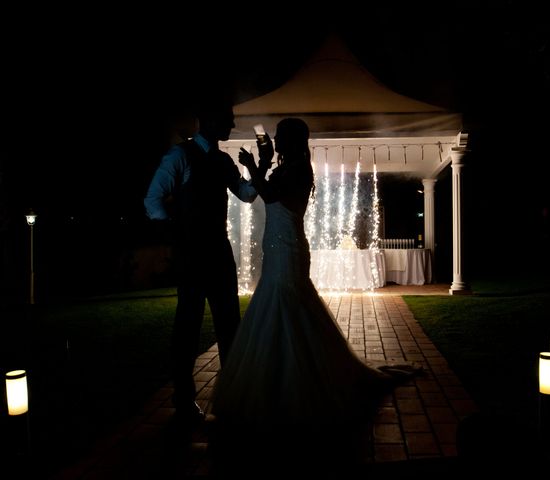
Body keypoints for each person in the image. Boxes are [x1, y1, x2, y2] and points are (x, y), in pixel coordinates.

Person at [208, 118, 419, 472]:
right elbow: (259, 194)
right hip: (277, 248)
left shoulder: (298, 169)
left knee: (289, 308)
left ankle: (297, 390)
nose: (275, 140)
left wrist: (250, 165)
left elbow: (270, 194)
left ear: (291, 141)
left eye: (279, 137)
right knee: (279, 310)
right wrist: (260, 162)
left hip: (288, 249)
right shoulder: (289, 166)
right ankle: (277, 385)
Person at [144, 98, 268, 424]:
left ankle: (232, 396)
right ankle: (184, 399)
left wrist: (261, 168)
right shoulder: (179, 155)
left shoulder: (224, 160)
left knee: (230, 324)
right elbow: (152, 199)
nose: (230, 125)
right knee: (188, 325)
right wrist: (175, 234)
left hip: (220, 252)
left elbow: (246, 194)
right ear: (205, 120)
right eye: (226, 119)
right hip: (192, 254)